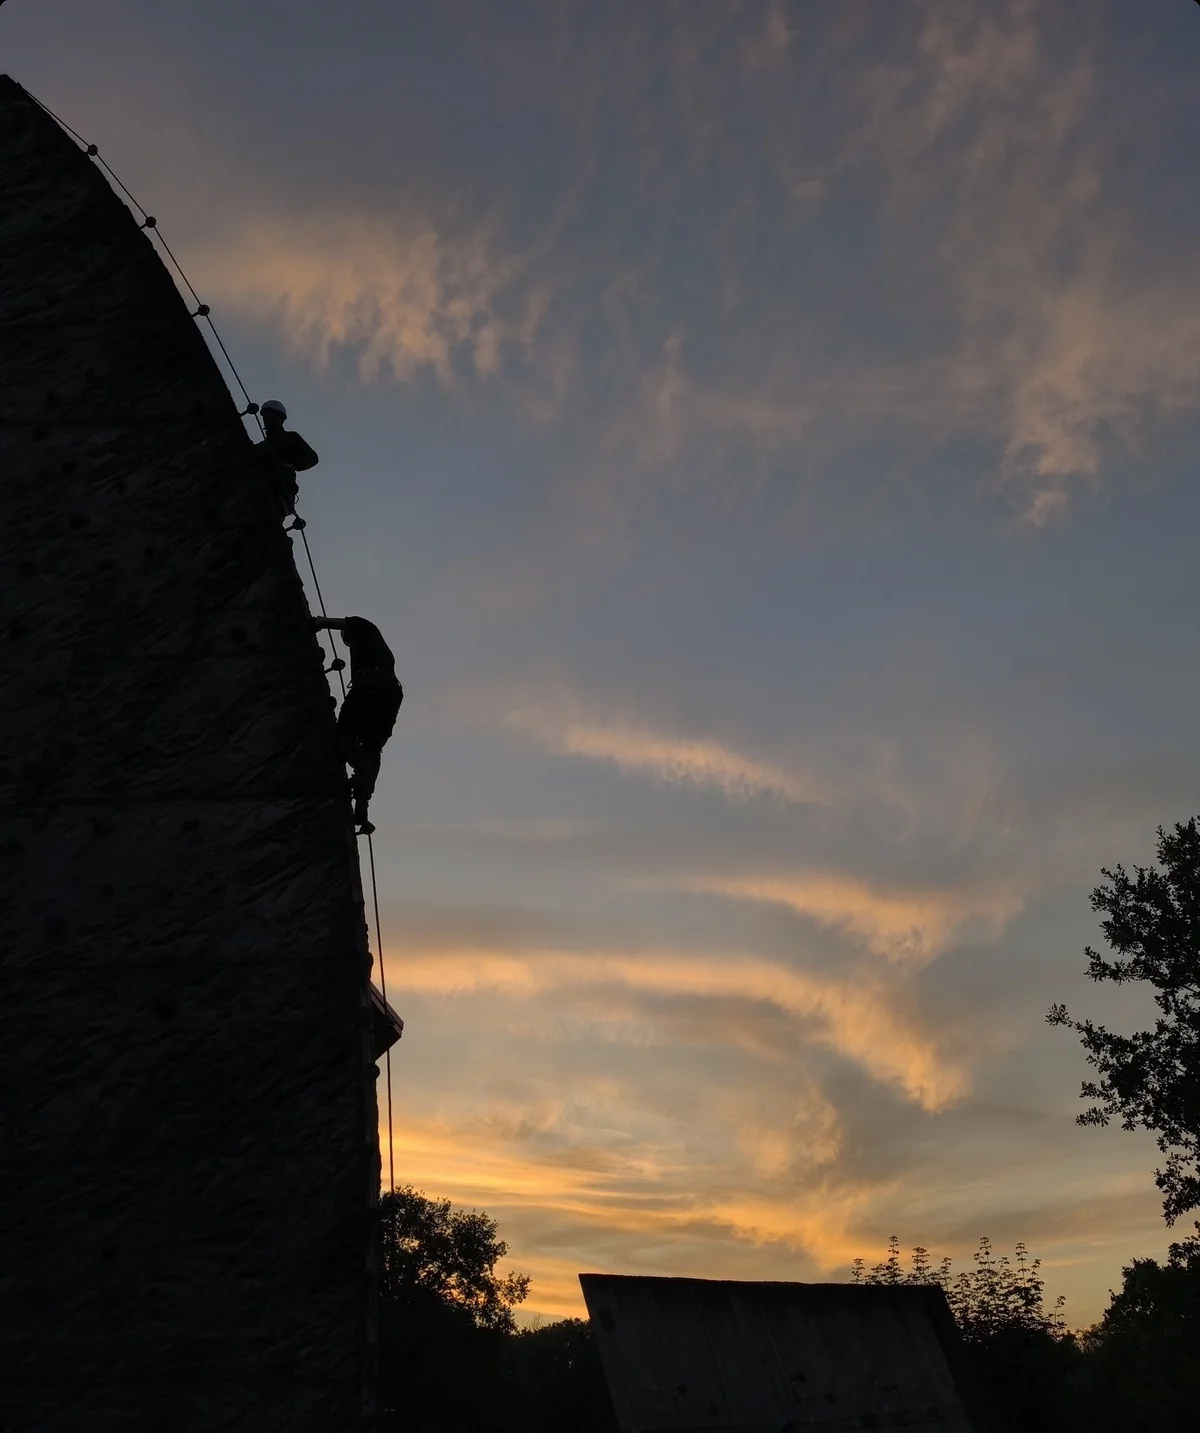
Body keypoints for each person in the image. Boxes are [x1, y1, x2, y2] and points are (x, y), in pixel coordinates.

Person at [312, 616, 403, 834]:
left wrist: (319, 622)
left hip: (370, 685)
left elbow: (344, 623)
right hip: (391, 694)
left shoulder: (367, 629)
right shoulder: (382, 654)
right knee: (373, 746)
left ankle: (362, 771)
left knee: (344, 734)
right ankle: (362, 803)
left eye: (348, 640)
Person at [255, 399, 318, 527]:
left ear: (280, 419)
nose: (266, 418)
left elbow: (312, 458)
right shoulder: (261, 447)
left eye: (270, 414)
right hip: (263, 488)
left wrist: (291, 465)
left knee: (270, 521)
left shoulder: (291, 437)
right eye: (265, 415)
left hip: (281, 491)